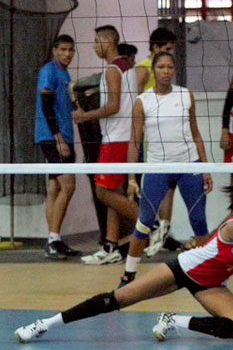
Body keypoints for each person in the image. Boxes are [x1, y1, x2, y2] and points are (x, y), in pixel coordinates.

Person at [13, 180, 233, 343]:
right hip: (183, 269)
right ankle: (44, 324)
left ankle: (175, 319)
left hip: (210, 284)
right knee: (115, 300)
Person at [118, 51, 212, 287]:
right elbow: (134, 142)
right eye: (161, 67)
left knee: (199, 220)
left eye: (170, 67)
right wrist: (132, 178)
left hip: (189, 163)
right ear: (154, 70)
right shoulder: (143, 101)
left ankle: (209, 272)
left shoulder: (185, 95)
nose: (166, 71)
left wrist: (206, 168)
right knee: (145, 220)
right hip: (157, 166)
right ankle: (128, 274)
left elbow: (196, 133)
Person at [72, 25, 139, 265]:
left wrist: (85, 116)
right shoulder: (128, 67)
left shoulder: (112, 70)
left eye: (95, 41)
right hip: (123, 137)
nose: (93, 46)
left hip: (115, 139)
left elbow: (113, 107)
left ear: (107, 42)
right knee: (114, 193)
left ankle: (149, 225)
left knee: (102, 192)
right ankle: (111, 246)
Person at [35, 34, 81, 260]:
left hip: (64, 136)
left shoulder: (65, 73)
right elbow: (45, 106)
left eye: (71, 50)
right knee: (69, 185)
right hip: (53, 137)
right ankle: (53, 240)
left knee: (54, 188)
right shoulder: (49, 70)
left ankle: (55, 240)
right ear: (55, 50)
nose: (67, 54)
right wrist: (59, 139)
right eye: (63, 49)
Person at [135, 27, 179, 254]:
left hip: (168, 139)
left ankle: (164, 231)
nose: (171, 54)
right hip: (149, 140)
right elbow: (137, 102)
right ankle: (149, 229)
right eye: (168, 49)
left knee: (170, 186)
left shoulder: (169, 78)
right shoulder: (143, 69)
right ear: (156, 48)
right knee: (151, 188)